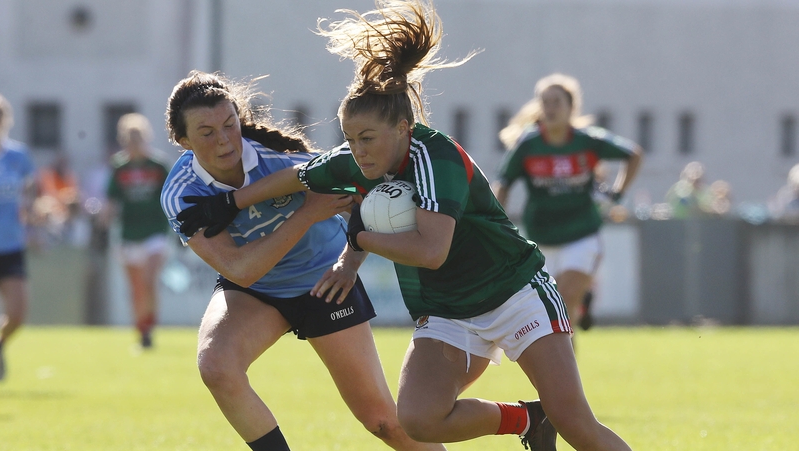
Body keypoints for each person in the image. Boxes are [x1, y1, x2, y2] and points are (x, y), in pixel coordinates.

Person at [175, 2, 633, 450]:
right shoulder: (358, 158)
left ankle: (549, 417)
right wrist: (230, 202)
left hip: (514, 293)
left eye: (367, 139)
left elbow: (430, 250)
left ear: (403, 127)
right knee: (416, 421)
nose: (357, 152)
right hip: (447, 310)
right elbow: (296, 175)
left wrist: (357, 239)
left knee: (576, 424)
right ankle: (529, 420)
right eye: (349, 140)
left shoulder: (437, 157)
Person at [161, 70, 444, 451]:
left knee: (382, 422)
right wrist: (306, 213)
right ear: (182, 140)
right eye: (206, 132)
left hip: (324, 282)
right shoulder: (182, 192)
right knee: (216, 365)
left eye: (229, 124)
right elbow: (241, 270)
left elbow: (364, 206)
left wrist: (349, 264)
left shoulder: (284, 161)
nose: (224, 139)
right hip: (254, 291)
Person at [492, 73, 643, 337]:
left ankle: (568, 360)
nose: (550, 108)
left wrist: (618, 191)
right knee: (549, 312)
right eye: (545, 102)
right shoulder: (528, 144)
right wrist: (496, 226)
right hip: (542, 237)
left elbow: (633, 154)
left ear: (571, 108)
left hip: (581, 234)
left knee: (564, 299)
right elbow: (503, 184)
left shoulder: (588, 141)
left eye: (556, 102)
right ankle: (579, 314)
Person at [103, 113, 172, 348]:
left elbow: (171, 197)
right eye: (129, 138)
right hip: (129, 233)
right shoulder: (119, 167)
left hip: (155, 231)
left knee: (149, 279)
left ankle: (150, 326)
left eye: (137, 137)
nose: (133, 143)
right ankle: (141, 330)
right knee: (136, 287)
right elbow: (112, 200)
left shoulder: (159, 165)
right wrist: (103, 220)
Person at [0, 93, 38, 381]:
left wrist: (35, 225)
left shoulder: (18, 156)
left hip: (12, 243)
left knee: (17, 314)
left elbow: (30, 197)